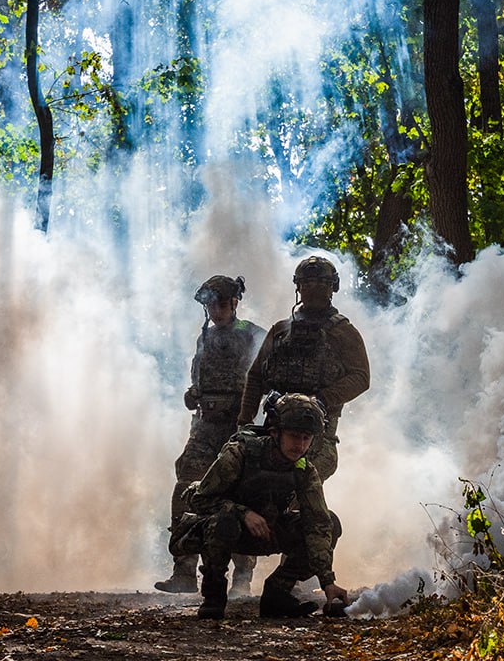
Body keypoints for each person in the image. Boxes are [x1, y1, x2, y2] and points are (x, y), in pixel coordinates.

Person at [175, 393, 347, 619]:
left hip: (268, 530)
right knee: (224, 523)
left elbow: (318, 523)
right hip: (224, 531)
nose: (300, 445)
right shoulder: (239, 453)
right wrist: (242, 513)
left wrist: (328, 582)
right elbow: (199, 499)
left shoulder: (303, 469)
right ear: (275, 433)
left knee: (329, 523)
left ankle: (276, 594)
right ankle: (214, 596)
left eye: (306, 438)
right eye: (294, 436)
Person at [155, 275, 266, 596]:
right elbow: (200, 379)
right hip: (204, 427)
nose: (214, 310)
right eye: (209, 304)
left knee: (243, 494)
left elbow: (264, 380)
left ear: (234, 302)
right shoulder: (204, 338)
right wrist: (194, 394)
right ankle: (185, 570)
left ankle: (242, 578)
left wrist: (247, 415)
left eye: (219, 303)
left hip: (238, 428)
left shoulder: (253, 335)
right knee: (187, 488)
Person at [237, 255, 370, 480]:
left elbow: (361, 377)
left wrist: (321, 399)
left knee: (300, 488)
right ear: (298, 286)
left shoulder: (343, 332)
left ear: (333, 287)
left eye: (321, 283)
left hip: (316, 435)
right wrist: (244, 422)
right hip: (275, 430)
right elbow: (256, 376)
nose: (313, 288)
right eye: (307, 283)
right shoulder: (281, 330)